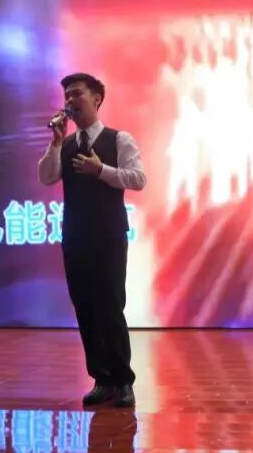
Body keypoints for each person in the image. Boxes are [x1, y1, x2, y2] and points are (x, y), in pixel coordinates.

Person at [38, 72, 146, 407]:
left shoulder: (119, 139)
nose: (70, 101)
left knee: (111, 305)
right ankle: (101, 379)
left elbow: (138, 179)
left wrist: (101, 170)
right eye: (67, 96)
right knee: (84, 306)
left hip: (109, 235)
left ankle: (123, 381)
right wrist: (56, 142)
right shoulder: (66, 144)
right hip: (75, 235)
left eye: (77, 94)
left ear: (97, 98)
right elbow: (46, 177)